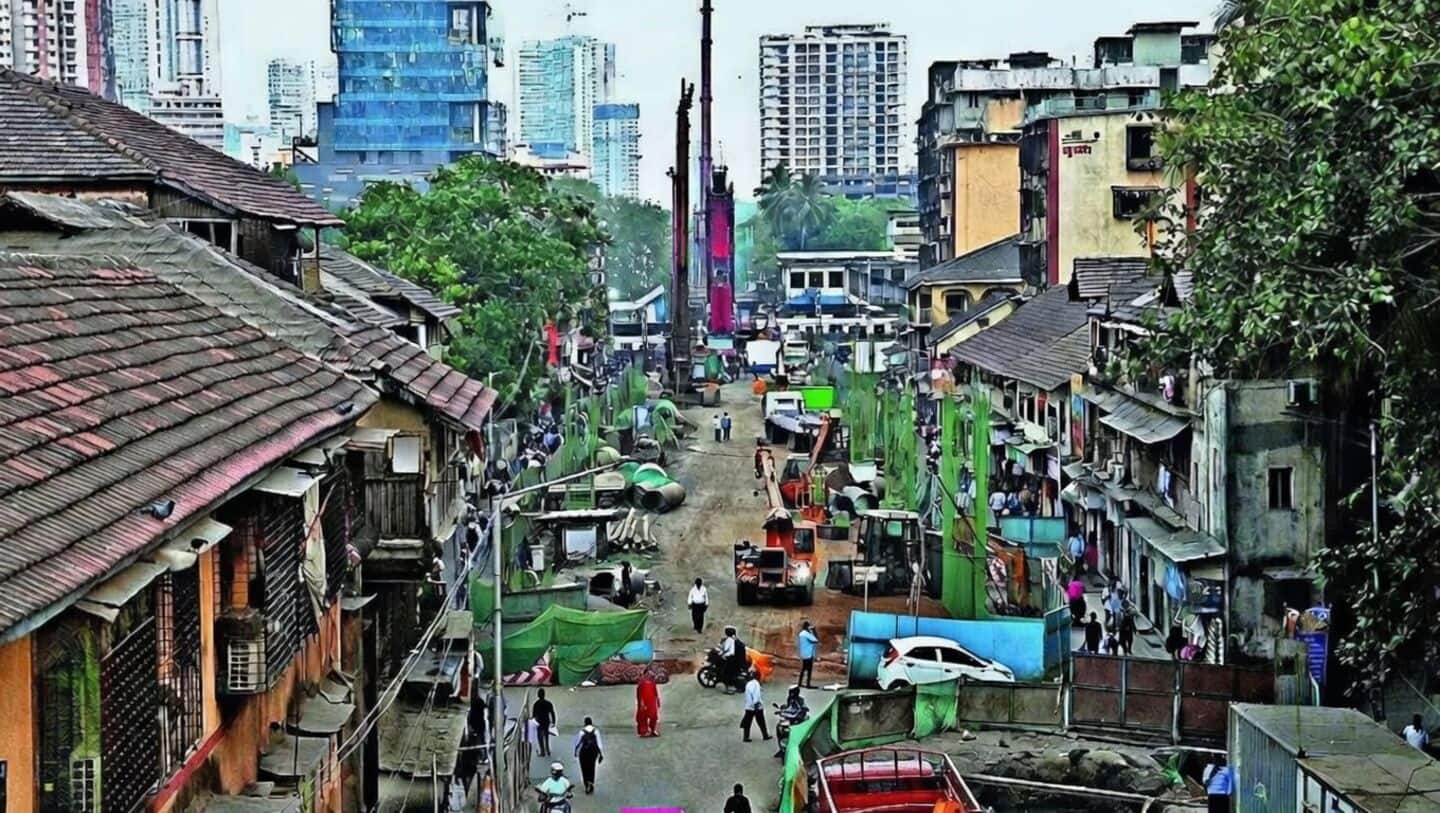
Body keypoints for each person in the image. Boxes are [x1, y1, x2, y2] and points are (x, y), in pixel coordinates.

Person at [572, 717, 605, 794]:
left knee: (584, 768)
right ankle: (591, 782)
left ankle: (586, 785)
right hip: (593, 752)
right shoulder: (596, 731)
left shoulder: (582, 732)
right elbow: (599, 743)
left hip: (584, 752)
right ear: (591, 723)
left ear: (585, 723)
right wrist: (601, 754)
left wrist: (575, 752)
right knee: (592, 767)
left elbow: (577, 743)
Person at [741, 670, 771, 742]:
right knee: (761, 722)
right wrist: (756, 706)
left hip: (748, 706)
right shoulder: (756, 684)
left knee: (747, 723)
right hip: (756, 706)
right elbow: (756, 696)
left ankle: (746, 737)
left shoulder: (748, 684)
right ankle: (765, 735)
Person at [532, 688, 556, 757]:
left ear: (538, 695)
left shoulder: (536, 704)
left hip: (539, 722)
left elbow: (533, 715)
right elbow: (552, 713)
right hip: (546, 721)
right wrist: (554, 722)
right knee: (546, 736)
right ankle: (548, 750)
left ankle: (542, 752)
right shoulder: (548, 703)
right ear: (544, 695)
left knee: (540, 737)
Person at [635, 672, 661, 737]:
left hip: (651, 702)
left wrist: (657, 700)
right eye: (649, 675)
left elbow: (655, 692)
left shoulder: (653, 683)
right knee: (642, 717)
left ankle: (653, 729)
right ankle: (643, 731)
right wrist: (641, 703)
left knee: (654, 716)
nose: (651, 676)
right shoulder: (641, 683)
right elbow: (639, 694)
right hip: (644, 702)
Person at [796, 621, 820, 689]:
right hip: (809, 654)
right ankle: (808, 684)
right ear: (807, 627)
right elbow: (816, 640)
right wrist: (814, 631)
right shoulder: (806, 634)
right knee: (809, 670)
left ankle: (800, 683)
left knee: (803, 669)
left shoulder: (801, 633)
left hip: (804, 654)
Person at [722, 626, 745, 693]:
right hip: (740, 661)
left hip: (734, 661)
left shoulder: (730, 640)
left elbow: (730, 652)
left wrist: (724, 655)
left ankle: (730, 689)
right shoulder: (737, 640)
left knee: (726, 673)